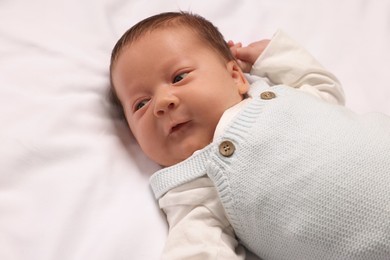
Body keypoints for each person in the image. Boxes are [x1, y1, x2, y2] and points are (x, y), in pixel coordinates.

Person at [109, 11, 390, 260]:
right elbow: (198, 247)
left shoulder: (278, 94)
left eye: (179, 77)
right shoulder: (194, 187)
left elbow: (324, 87)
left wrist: (272, 55)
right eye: (140, 104)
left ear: (235, 77)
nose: (161, 103)